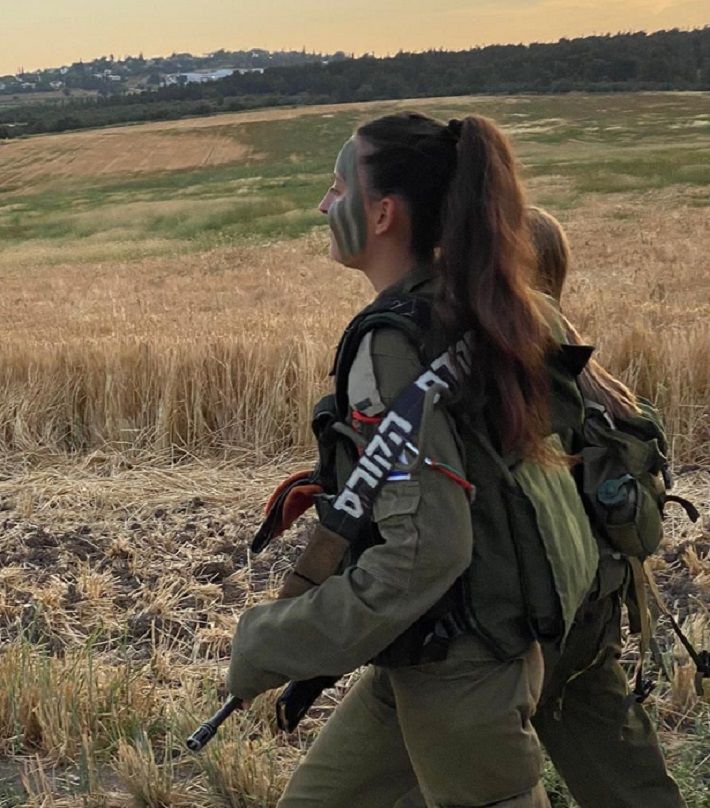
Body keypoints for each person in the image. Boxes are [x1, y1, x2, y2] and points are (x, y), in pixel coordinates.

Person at [226, 112, 598, 807]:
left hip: (462, 673)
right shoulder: (470, 308)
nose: (323, 205)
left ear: (384, 214)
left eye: (339, 188)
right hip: (434, 648)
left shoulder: (395, 345)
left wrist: (272, 642)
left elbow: (426, 549)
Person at [526, 206, 685, 808]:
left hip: (537, 621)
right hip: (594, 613)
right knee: (629, 784)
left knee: (420, 767)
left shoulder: (524, 377)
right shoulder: (593, 374)